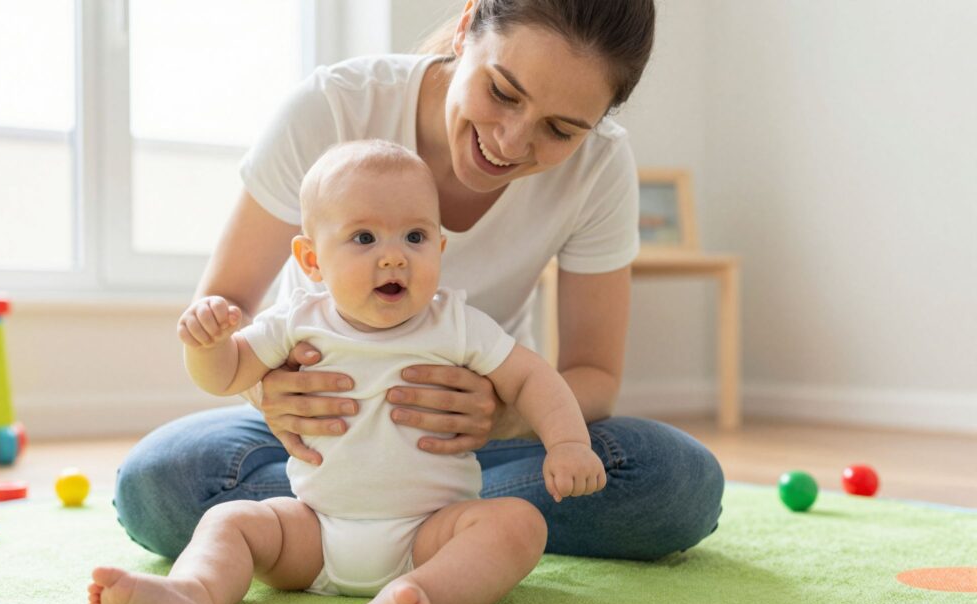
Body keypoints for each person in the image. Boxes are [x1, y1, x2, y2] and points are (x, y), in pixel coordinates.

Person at [115, 0, 724, 567]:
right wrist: (270, 391)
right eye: (503, 92)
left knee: (675, 479)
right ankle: (447, 532)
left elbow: (593, 374)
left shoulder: (600, 168)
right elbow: (224, 309)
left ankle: (357, 533)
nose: (512, 143)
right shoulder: (333, 108)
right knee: (161, 480)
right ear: (465, 29)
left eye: (561, 131)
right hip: (319, 441)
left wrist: (501, 416)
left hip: (470, 447)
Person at [89, 140, 605, 604]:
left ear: (440, 249)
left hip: (429, 535)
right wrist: (208, 344)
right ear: (312, 260)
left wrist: (567, 444)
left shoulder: (457, 324)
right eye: (364, 239)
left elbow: (533, 378)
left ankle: (416, 595)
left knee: (518, 525)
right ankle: (193, 593)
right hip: (314, 532)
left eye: (415, 237)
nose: (394, 258)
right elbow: (225, 375)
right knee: (232, 521)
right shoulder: (296, 319)